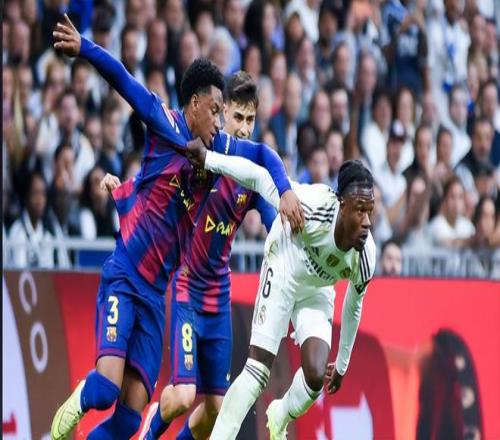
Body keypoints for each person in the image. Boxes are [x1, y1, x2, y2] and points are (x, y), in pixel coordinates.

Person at [50, 14, 303, 440]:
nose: (221, 123)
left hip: (156, 294)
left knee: (129, 419)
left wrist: (285, 193)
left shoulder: (220, 152)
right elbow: (124, 80)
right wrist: (85, 48)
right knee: (105, 390)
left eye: (227, 115)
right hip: (126, 274)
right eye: (217, 112)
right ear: (195, 104)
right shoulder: (164, 122)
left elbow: (263, 155)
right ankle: (79, 400)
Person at [188, 143, 376, 439]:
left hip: (317, 290)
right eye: (360, 211)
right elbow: (260, 178)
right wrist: (209, 159)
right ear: (341, 205)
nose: (367, 222)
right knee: (258, 371)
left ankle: (280, 415)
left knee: (315, 377)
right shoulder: (312, 207)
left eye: (370, 211)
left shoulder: (365, 256)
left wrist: (341, 364)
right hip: (285, 265)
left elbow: (353, 306)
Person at [140, 71, 277, 440]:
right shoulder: (200, 154)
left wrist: (285, 234)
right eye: (237, 117)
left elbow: (274, 224)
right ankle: (149, 431)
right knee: (183, 397)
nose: (244, 128)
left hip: (219, 295)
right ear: (222, 112)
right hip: (187, 287)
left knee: (217, 411)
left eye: (251, 119)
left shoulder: (252, 175)